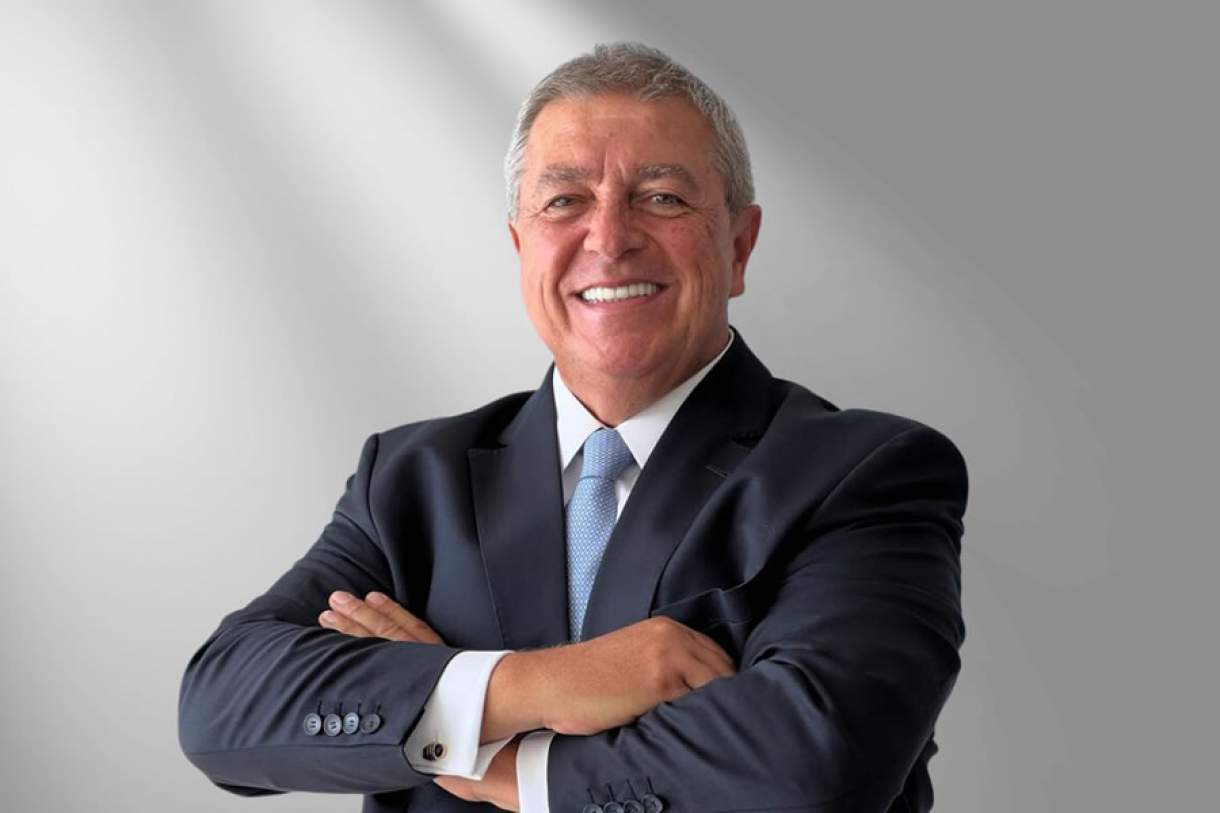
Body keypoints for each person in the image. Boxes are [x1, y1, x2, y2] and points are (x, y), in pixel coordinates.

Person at [178, 42, 969, 813]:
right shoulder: (410, 478)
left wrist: (492, 752)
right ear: (521, 246)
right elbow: (224, 708)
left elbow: (817, 765)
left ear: (739, 244)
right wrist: (540, 684)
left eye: (663, 197)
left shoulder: (866, 472)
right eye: (564, 201)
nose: (610, 238)